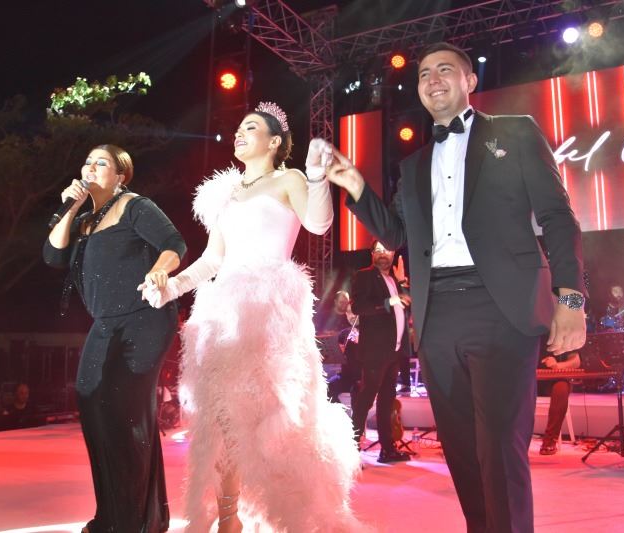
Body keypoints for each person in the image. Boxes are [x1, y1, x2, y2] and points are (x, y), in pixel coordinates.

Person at [326, 42, 586, 532]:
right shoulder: (413, 165)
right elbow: (397, 234)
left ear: (469, 81)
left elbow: (556, 215)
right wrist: (355, 185)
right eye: (424, 73)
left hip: (502, 306)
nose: (433, 79)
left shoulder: (516, 132)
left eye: (445, 69)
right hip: (436, 314)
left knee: (499, 445)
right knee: (461, 448)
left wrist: (570, 298)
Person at [139, 103, 364, 532]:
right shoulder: (225, 194)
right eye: (239, 127)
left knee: (273, 420)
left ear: (274, 141)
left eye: (251, 127)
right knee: (224, 417)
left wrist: (317, 175)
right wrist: (169, 287)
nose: (240, 133)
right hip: (224, 313)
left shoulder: (289, 178)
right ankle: (229, 518)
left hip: (270, 312)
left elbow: (319, 224)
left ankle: (295, 514)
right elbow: (212, 260)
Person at [43, 144, 186, 533]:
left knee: (123, 414)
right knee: (91, 402)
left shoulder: (135, 206)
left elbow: (175, 244)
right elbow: (53, 256)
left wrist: (159, 270)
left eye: (101, 162)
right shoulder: (85, 220)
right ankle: (120, 515)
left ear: (120, 175)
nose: (91, 167)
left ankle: (130, 522)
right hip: (106, 322)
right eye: (87, 161)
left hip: (145, 318)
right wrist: (71, 207)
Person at [350, 240, 412, 463]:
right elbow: (359, 307)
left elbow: (408, 305)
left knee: (387, 400)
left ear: (393, 254)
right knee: (367, 397)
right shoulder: (365, 276)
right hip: (375, 350)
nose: (382, 254)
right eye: (378, 250)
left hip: (394, 351)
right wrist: (389, 301)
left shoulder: (394, 279)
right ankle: (350, 449)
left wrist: (403, 283)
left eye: (386, 250)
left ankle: (387, 449)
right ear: (372, 254)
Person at [538, 351, 581, 455]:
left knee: (561, 389)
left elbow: (576, 361)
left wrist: (557, 365)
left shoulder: (564, 339)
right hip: (529, 376)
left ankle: (549, 441)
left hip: (556, 378)